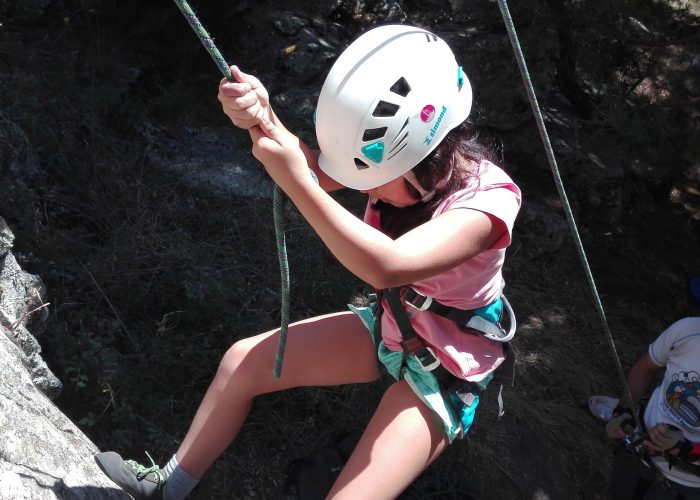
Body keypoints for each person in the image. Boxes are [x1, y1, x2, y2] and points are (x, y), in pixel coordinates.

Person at [94, 24, 521, 500]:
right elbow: (324, 172)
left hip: (446, 368)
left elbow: (388, 265)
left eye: (376, 180)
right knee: (243, 362)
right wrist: (263, 114)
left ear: (422, 161)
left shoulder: (489, 205)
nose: (365, 189)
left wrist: (299, 184)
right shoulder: (407, 170)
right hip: (395, 327)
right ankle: (168, 487)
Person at [602, 316, 700, 499]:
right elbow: (646, 367)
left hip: (685, 485)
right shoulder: (687, 330)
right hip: (637, 451)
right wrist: (625, 412)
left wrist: (687, 448)